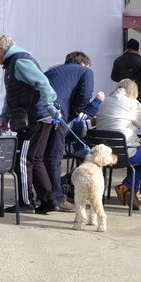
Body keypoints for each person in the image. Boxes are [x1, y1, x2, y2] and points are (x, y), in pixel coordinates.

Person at [0, 35, 59, 215]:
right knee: (35, 159)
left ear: (1, 49)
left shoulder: (20, 61)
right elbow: (12, 94)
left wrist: (50, 104)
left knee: (23, 160)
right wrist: (4, 115)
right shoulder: (14, 63)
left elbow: (43, 82)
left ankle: (25, 202)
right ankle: (49, 200)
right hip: (37, 118)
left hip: (34, 119)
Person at [43, 52, 97, 212]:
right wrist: (73, 114)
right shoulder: (86, 72)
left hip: (38, 114)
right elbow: (84, 96)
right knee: (54, 157)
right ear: (83, 63)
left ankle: (43, 197)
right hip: (57, 115)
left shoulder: (52, 71)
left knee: (39, 158)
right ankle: (58, 199)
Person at [94, 79, 141, 207]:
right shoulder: (132, 103)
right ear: (134, 91)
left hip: (103, 154)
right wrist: (139, 104)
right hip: (124, 154)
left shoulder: (105, 101)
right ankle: (126, 186)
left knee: (137, 156)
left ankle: (131, 192)